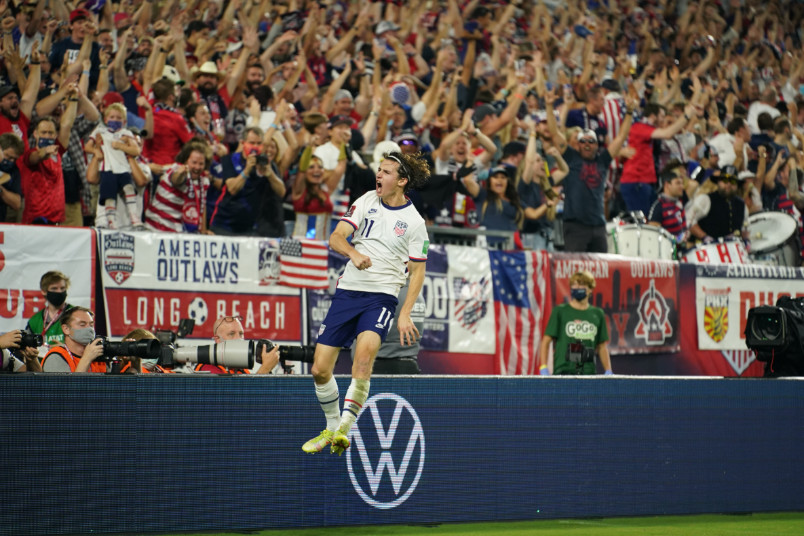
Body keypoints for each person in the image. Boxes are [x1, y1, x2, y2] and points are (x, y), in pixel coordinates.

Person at [302, 151, 430, 456]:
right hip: (348, 292)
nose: (379, 175)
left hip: (382, 297)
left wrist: (405, 313)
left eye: (386, 172)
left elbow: (417, 271)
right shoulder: (366, 200)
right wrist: (353, 253)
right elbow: (336, 237)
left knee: (362, 360)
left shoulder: (415, 222)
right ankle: (332, 425)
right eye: (379, 170)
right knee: (319, 369)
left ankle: (344, 429)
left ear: (402, 181)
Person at [544, 90, 635, 253]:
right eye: (583, 141)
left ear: (597, 145)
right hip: (575, 226)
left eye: (591, 141)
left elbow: (621, 137)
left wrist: (629, 112)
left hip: (598, 225)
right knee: (575, 266)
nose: (587, 144)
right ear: (578, 145)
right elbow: (554, 133)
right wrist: (549, 106)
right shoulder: (571, 157)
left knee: (601, 267)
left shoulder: (603, 160)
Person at [619, 102, 697, 216]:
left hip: (646, 183)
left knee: (650, 220)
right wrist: (686, 115)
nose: (663, 120)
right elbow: (668, 133)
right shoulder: (639, 127)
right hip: (636, 182)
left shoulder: (648, 131)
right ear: (652, 116)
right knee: (641, 222)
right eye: (662, 116)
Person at [208, 127, 285, 235]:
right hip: (223, 225)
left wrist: (270, 174)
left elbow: (281, 192)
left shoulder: (267, 164)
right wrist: (247, 170)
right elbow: (232, 189)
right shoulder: (230, 159)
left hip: (249, 228)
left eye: (259, 143)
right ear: (243, 143)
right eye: (252, 143)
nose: (255, 147)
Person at [538, 270, 612, 376]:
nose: (577, 288)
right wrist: (543, 367)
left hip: (588, 372)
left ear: (590, 289)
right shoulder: (560, 311)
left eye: (581, 284)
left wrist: (608, 370)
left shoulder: (598, 314)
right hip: (564, 371)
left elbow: (602, 346)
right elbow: (546, 341)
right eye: (574, 285)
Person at [85, 102, 143, 229]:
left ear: (124, 121)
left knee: (129, 188)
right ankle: (111, 221)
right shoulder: (100, 132)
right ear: (106, 119)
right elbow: (87, 147)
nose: (115, 120)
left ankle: (134, 217)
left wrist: (120, 146)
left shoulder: (126, 133)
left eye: (118, 118)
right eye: (112, 117)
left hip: (123, 168)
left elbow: (136, 151)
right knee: (109, 196)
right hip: (107, 168)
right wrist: (96, 151)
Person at [144, 141, 212, 233]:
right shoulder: (175, 169)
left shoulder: (203, 181)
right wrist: (180, 173)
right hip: (156, 229)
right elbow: (176, 180)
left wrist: (203, 233)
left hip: (179, 233)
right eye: (194, 162)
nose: (197, 167)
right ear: (185, 161)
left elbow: (202, 207)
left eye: (201, 164)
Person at [197, 315, 279, 375]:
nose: (238, 338)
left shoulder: (241, 369)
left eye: (241, 334)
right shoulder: (208, 368)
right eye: (231, 334)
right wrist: (265, 368)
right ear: (217, 340)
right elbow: (234, 394)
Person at [688, 166, 748, 243]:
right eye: (725, 180)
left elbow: (745, 227)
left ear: (737, 185)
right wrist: (704, 237)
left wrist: (746, 240)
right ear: (718, 182)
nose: (728, 184)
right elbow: (689, 220)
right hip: (705, 248)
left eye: (733, 181)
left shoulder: (741, 205)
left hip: (732, 247)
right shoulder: (706, 199)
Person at [40, 306, 106, 373]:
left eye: (91, 325)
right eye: (82, 325)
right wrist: (87, 358)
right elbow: (74, 380)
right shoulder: (55, 357)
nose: (89, 329)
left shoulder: (98, 355)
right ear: (66, 329)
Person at [25, 271, 74, 348]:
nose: (59, 292)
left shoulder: (76, 315)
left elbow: (86, 345)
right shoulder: (35, 321)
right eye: (54, 289)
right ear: (44, 291)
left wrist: (65, 349)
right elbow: (26, 347)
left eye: (62, 288)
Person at [647, 168, 688, 246]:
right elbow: (652, 235)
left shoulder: (679, 204)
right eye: (678, 183)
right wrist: (675, 239)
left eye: (682, 183)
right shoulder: (659, 206)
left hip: (682, 249)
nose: (682, 187)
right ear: (667, 185)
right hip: (667, 250)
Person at [0, 133, 24, 223]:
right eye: (8, 156)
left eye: (14, 159)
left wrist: (1, 190)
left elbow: (17, 203)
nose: (11, 161)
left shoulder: (13, 171)